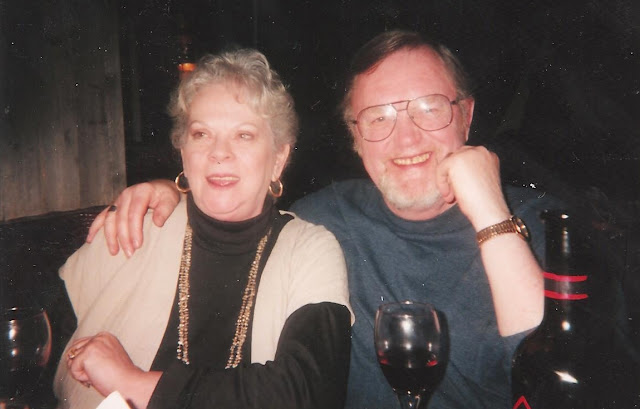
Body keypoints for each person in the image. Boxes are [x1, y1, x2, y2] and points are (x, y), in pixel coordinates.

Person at [88, 31, 560, 408]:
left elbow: (550, 373)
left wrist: (490, 211)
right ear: (355, 137)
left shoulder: (538, 223)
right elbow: (242, 206)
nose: (407, 138)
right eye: (378, 118)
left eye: (429, 108)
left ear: (466, 116)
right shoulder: (325, 221)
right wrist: (173, 191)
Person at [54, 49, 353, 409]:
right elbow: (45, 343)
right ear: (183, 152)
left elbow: (308, 393)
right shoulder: (136, 225)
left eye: (244, 135)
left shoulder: (310, 250)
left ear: (278, 158)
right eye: (201, 134)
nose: (219, 153)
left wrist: (130, 382)